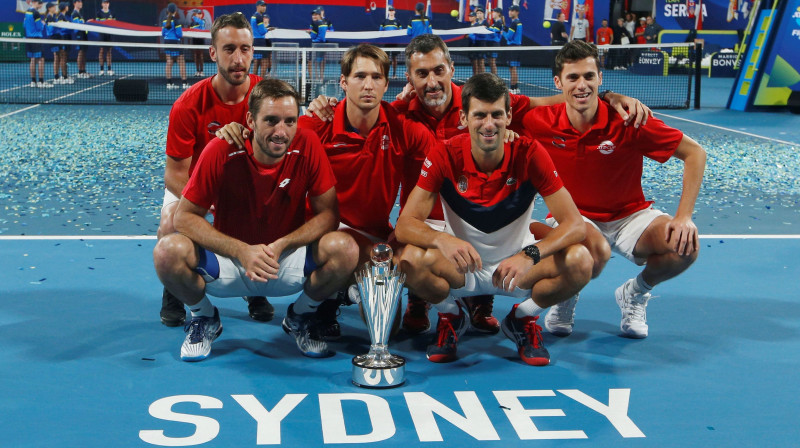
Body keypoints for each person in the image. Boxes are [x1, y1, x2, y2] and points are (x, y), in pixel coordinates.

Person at [305, 34, 650, 336]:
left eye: (438, 71)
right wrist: (326, 106)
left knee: (584, 250)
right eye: (422, 74)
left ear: (451, 69)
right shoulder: (400, 115)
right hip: (427, 223)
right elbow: (363, 113)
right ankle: (418, 300)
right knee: (401, 275)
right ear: (409, 79)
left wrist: (607, 95)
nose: (432, 81)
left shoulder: (482, 102)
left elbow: (556, 99)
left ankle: (484, 303)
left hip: (481, 218)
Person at [153, 78, 359, 361]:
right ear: (250, 120)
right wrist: (241, 251)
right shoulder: (220, 149)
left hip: (283, 261)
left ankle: (301, 316)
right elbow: (185, 218)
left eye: (289, 121)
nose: (281, 132)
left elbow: (329, 215)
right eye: (271, 120)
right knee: (167, 251)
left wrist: (283, 244)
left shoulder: (308, 143)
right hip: (229, 265)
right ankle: (204, 317)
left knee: (345, 248)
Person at [395, 72, 592, 366]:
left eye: (497, 115)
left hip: (516, 269)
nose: (489, 124)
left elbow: (574, 225)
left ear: (509, 116)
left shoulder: (529, 153)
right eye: (480, 115)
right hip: (462, 268)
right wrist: (442, 239)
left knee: (581, 260)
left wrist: (529, 254)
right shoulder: (444, 154)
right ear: (463, 118)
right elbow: (405, 225)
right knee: (407, 260)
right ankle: (451, 315)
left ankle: (522, 319)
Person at [519, 40, 706, 339]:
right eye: (573, 78)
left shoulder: (629, 119)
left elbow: (695, 153)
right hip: (574, 219)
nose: (582, 85)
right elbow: (490, 107)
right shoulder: (537, 121)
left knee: (684, 247)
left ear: (600, 78)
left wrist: (684, 217)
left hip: (630, 216)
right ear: (558, 82)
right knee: (594, 254)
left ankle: (635, 292)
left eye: (589, 76)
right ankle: (567, 290)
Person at [158, 12, 272, 327]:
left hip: (248, 185)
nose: (238, 58)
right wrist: (209, 204)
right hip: (197, 186)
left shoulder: (267, 99)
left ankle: (255, 288)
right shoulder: (187, 105)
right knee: (169, 224)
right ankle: (176, 290)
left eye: (245, 49)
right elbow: (174, 175)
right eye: (229, 49)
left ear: (253, 51)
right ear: (213, 53)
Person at [24, 0, 50, 88]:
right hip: (36, 39)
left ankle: (33, 81)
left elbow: (24, 25)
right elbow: (39, 27)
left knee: (32, 59)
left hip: (28, 38)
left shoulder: (27, 12)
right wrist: (43, 24)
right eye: (40, 4)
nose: (41, 5)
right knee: (41, 60)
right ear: (36, 3)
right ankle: (41, 82)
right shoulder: (36, 13)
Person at [162, 3, 188, 89]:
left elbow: (163, 33)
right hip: (175, 43)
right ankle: (184, 83)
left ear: (167, 10)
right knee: (181, 63)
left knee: (169, 62)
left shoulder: (164, 21)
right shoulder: (176, 21)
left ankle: (169, 84)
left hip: (167, 42)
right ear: (175, 11)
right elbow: (179, 34)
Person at [503, 5, 523, 94]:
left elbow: (508, 37)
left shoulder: (514, 23)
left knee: (512, 68)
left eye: (512, 11)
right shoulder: (519, 22)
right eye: (510, 10)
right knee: (513, 68)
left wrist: (503, 32)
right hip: (517, 47)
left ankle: (512, 88)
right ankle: (515, 87)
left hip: (513, 47)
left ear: (517, 12)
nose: (510, 12)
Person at [250, 0, 272, 78]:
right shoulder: (259, 16)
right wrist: (268, 29)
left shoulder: (253, 16)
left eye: (265, 6)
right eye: (262, 6)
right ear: (257, 7)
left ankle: (254, 80)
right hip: (260, 41)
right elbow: (262, 31)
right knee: (265, 63)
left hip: (255, 41)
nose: (264, 8)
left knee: (256, 62)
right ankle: (261, 81)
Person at [307, 8, 329, 84]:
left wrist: (309, 33)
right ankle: (320, 80)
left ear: (319, 15)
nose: (314, 16)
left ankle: (315, 80)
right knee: (320, 62)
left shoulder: (316, 24)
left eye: (316, 15)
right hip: (322, 45)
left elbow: (313, 36)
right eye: (313, 15)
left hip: (316, 45)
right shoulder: (324, 22)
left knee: (312, 62)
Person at [379, 6, 401, 79]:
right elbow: (380, 31)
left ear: (394, 12)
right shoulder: (384, 22)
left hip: (394, 42)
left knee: (394, 58)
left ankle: (394, 75)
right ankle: (386, 74)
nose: (391, 12)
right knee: (386, 59)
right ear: (388, 12)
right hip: (386, 42)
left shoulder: (398, 22)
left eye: (392, 11)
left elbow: (400, 32)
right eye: (390, 11)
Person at [44, 2, 62, 85]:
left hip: (57, 37)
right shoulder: (49, 18)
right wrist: (56, 26)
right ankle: (56, 77)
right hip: (53, 38)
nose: (55, 8)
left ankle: (57, 75)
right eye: (53, 7)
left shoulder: (54, 17)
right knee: (56, 56)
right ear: (49, 8)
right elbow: (50, 30)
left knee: (58, 56)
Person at [71, 0, 89, 78]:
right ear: (74, 3)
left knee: (83, 52)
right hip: (79, 35)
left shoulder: (79, 14)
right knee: (81, 52)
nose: (80, 3)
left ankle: (83, 70)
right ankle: (80, 72)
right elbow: (77, 26)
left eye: (81, 2)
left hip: (83, 35)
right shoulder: (75, 14)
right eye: (78, 2)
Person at [96, 0, 114, 76]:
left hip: (109, 35)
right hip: (102, 35)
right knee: (101, 51)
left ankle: (109, 69)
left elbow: (114, 24)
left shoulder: (112, 13)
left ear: (108, 4)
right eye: (104, 3)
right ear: (102, 4)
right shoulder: (99, 13)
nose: (106, 4)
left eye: (107, 3)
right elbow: (97, 24)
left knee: (109, 51)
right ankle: (101, 70)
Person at [56, 2, 72, 84]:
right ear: (64, 7)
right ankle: (64, 76)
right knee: (63, 57)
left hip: (66, 38)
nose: (68, 7)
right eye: (66, 6)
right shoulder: (61, 16)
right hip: (62, 38)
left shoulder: (64, 16)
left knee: (65, 57)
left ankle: (65, 75)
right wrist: (69, 26)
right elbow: (61, 28)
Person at [485, 7, 504, 75]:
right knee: (490, 62)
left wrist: (486, 29)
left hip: (494, 44)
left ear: (498, 13)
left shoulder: (499, 23)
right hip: (491, 44)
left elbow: (493, 34)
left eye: (494, 12)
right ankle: (493, 76)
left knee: (492, 62)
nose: (492, 13)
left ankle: (495, 77)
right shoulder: (495, 23)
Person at [189, 9, 207, 77]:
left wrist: (194, 17)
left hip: (201, 40)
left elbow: (199, 24)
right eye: (198, 14)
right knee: (196, 55)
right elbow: (191, 31)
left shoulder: (203, 21)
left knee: (201, 55)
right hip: (195, 40)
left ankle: (201, 71)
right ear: (195, 14)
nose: (199, 15)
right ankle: (197, 71)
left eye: (200, 14)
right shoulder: (192, 23)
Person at [469, 8, 487, 75]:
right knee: (476, 63)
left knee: (481, 63)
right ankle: (476, 77)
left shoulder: (485, 23)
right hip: (475, 45)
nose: (479, 14)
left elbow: (484, 35)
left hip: (482, 45)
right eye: (477, 13)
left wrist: (472, 35)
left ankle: (483, 77)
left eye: (480, 13)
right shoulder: (475, 24)